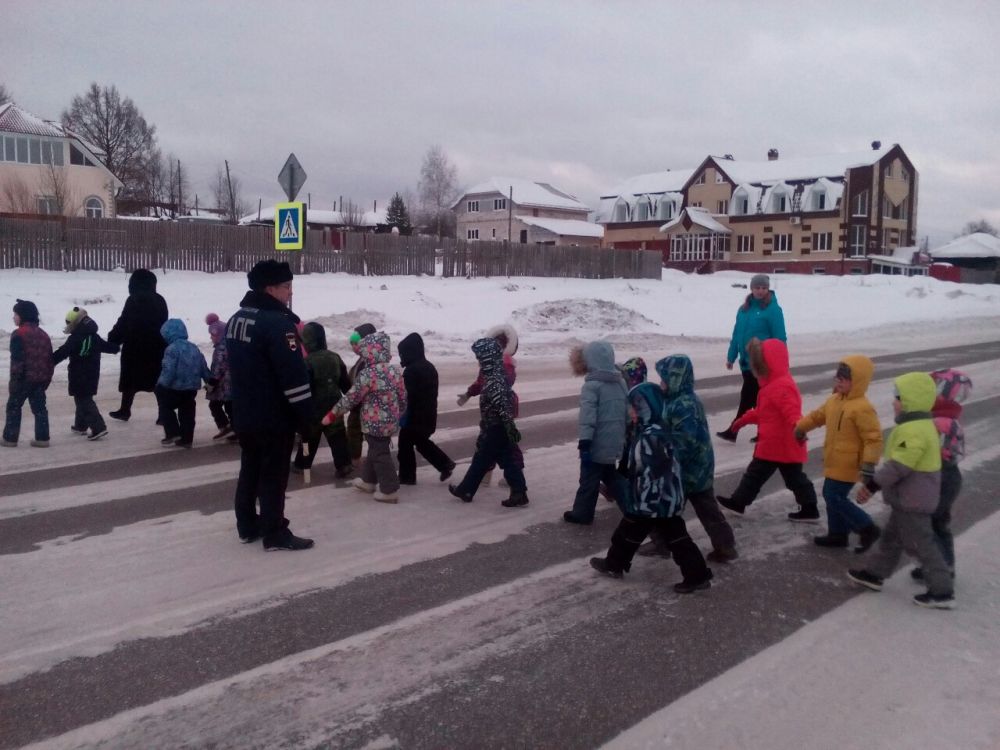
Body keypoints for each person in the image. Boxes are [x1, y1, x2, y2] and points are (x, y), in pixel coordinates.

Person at [589, 382, 713, 594]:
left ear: (647, 408)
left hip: (652, 500)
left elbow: (654, 472)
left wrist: (641, 497)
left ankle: (697, 576)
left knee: (671, 538)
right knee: (634, 532)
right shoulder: (656, 429)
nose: (631, 413)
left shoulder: (652, 436)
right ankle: (614, 564)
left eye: (635, 408)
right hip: (658, 499)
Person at [227, 260, 314, 551]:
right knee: (274, 475)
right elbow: (293, 376)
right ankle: (274, 532)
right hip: (273, 416)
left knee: (250, 468)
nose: (290, 292)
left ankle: (247, 525)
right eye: (286, 287)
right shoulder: (277, 324)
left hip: (245, 412)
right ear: (270, 289)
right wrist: (306, 415)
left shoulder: (237, 318)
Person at [847, 372, 954, 609]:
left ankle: (942, 591)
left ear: (910, 401)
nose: (893, 402)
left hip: (913, 500)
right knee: (891, 539)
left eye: (897, 398)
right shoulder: (919, 425)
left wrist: (872, 485)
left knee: (923, 545)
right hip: (907, 499)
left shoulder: (914, 430)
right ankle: (874, 574)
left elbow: (898, 466)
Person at [716, 338, 820, 521]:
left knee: (790, 478)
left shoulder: (782, 387)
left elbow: (792, 412)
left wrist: (799, 428)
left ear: (767, 366)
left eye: (757, 367)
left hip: (784, 444)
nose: (754, 372)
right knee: (761, 476)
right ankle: (738, 502)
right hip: (773, 445)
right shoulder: (770, 386)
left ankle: (809, 508)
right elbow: (762, 412)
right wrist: (742, 421)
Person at [652, 354, 739, 563]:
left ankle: (724, 546)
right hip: (694, 466)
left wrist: (668, 457)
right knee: (698, 508)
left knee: (680, 508)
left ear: (676, 379)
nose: (661, 384)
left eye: (664, 379)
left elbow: (686, 440)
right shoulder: (678, 400)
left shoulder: (684, 405)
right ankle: (723, 544)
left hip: (690, 468)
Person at [795, 356, 883, 552]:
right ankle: (838, 535)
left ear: (857, 381)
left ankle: (867, 527)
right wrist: (801, 428)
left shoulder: (862, 408)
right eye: (838, 378)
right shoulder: (833, 401)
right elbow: (817, 417)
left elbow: (873, 438)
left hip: (849, 463)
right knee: (832, 496)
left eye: (844, 379)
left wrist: (869, 464)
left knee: (833, 495)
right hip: (833, 460)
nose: (839, 382)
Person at [322, 331, 406, 503]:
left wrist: (333, 413)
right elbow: (403, 396)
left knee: (380, 454)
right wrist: (400, 412)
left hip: (374, 423)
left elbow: (351, 398)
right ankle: (368, 481)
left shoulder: (368, 374)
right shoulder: (395, 371)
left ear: (369, 351)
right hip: (390, 422)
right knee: (375, 450)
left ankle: (389, 490)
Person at [448, 337, 529, 507]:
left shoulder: (494, 380)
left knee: (484, 459)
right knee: (503, 459)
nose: (478, 361)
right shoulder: (493, 375)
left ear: (486, 358)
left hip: (496, 427)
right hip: (495, 426)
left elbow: (503, 406)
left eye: (479, 357)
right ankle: (518, 492)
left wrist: (509, 427)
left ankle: (466, 490)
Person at [911, 368, 972, 582]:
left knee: (932, 524)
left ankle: (941, 569)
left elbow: (935, 452)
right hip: (947, 476)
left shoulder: (940, 422)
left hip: (940, 476)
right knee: (937, 523)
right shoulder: (946, 418)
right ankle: (941, 565)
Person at [563, 341, 629, 525]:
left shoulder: (592, 386)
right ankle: (632, 506)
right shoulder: (621, 382)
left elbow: (588, 418)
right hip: (614, 441)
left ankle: (582, 514)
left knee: (588, 479)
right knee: (611, 476)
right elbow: (626, 412)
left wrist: (585, 442)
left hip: (596, 444)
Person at [717, 273, 786, 443]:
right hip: (746, 362)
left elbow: (780, 338)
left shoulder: (773, 310)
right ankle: (767, 430)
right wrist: (731, 356)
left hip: (762, 362)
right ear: (751, 288)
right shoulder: (744, 310)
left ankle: (734, 429)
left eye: (764, 288)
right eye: (757, 287)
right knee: (758, 399)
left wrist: (780, 361)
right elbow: (737, 335)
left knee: (748, 396)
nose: (760, 291)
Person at [456, 323, 520, 487]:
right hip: (493, 410)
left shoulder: (504, 364)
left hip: (499, 409)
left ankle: (510, 479)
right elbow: (481, 382)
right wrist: (468, 393)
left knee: (497, 445)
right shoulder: (492, 363)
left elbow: (496, 384)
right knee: (494, 444)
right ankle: (491, 476)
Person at [293, 322, 353, 478]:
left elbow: (305, 387)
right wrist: (350, 398)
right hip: (334, 406)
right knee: (337, 436)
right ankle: (344, 465)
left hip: (313, 409)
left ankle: (302, 464)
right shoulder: (335, 357)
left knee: (309, 438)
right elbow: (345, 383)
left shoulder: (307, 362)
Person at [108, 268, 169, 421]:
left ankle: (125, 410)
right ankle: (163, 414)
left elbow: (124, 322)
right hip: (156, 348)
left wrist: (114, 338)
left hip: (134, 348)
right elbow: (164, 324)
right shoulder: (160, 300)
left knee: (130, 381)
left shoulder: (133, 300)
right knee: (157, 382)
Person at [397, 332, 456, 485]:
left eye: (402, 354)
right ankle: (444, 464)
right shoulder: (429, 367)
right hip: (428, 415)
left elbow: (407, 396)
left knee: (405, 444)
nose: (401, 357)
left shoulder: (411, 371)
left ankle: (407, 477)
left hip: (415, 417)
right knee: (421, 442)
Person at [52, 307, 118, 441]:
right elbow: (107, 347)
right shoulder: (94, 336)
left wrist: (49, 361)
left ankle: (98, 427)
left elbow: (63, 352)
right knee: (82, 398)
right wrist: (116, 347)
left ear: (75, 323)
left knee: (83, 400)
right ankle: (80, 425)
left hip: (78, 374)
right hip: (92, 374)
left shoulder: (75, 338)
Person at [2, 300, 54, 448]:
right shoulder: (44, 335)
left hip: (23, 379)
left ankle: (10, 438)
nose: (13, 317)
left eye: (15, 314)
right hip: (40, 380)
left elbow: (17, 361)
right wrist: (46, 380)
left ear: (23, 315)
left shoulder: (19, 334)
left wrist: (14, 381)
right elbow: (49, 360)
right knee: (40, 409)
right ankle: (42, 438)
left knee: (13, 407)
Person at [155, 318, 211, 448]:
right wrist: (209, 380)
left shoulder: (171, 349)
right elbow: (202, 365)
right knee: (187, 412)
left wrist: (161, 384)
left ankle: (173, 433)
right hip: (191, 388)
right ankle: (187, 439)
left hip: (175, 387)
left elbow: (169, 369)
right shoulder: (194, 347)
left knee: (165, 407)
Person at [345, 322, 377, 464]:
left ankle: (358, 459)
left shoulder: (369, 361)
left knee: (357, 431)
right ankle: (358, 458)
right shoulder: (363, 359)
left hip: (364, 405)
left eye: (356, 343)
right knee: (356, 431)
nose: (353, 347)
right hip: (359, 404)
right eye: (352, 344)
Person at [204, 313, 234, 440]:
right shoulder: (231, 345)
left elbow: (218, 366)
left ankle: (225, 426)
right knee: (230, 406)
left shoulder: (221, 348)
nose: (211, 337)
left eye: (213, 335)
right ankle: (234, 428)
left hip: (223, 384)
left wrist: (212, 382)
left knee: (214, 405)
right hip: (232, 383)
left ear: (220, 334)